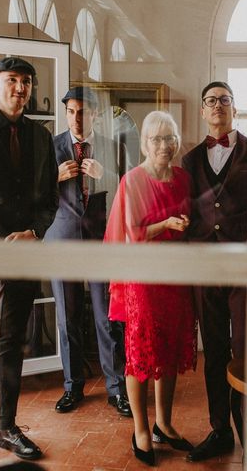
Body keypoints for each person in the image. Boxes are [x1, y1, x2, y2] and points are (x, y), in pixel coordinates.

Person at [104, 111, 197, 467]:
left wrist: (184, 224)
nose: (164, 145)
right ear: (144, 143)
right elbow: (134, 234)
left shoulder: (183, 179)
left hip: (176, 277)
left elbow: (191, 220)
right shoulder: (134, 180)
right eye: (156, 139)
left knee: (170, 350)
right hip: (143, 278)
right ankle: (141, 429)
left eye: (169, 138)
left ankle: (164, 422)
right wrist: (168, 223)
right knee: (141, 355)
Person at [0, 56, 58, 460]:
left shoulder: (41, 137)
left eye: (26, 82)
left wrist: (34, 232)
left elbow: (50, 199)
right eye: (12, 80)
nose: (20, 88)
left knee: (12, 342)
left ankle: (7, 427)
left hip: (26, 249)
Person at [44, 86, 130, 417]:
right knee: (66, 318)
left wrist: (104, 174)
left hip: (101, 243)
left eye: (83, 111)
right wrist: (55, 176)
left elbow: (128, 187)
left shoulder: (111, 148)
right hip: (61, 240)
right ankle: (72, 387)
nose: (77, 118)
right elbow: (35, 194)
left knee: (107, 317)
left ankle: (116, 388)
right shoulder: (50, 147)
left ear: (95, 114)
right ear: (66, 114)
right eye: (71, 112)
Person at [182, 81, 247, 462]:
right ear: (204, 112)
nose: (218, 106)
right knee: (215, 351)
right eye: (211, 101)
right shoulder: (189, 160)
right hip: (205, 268)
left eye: (225, 100)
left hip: (244, 269)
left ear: (234, 109)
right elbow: (185, 211)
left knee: (244, 351)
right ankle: (220, 430)